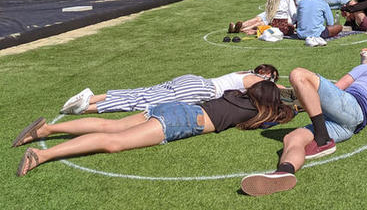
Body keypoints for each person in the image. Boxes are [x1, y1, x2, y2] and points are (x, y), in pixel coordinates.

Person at [13, 81, 294, 177]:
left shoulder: (235, 96)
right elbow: (286, 112)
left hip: (174, 107)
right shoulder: (254, 112)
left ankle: (46, 130)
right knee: (115, 141)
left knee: (111, 126)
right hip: (182, 120)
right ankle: (42, 154)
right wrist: (292, 103)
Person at [240, 51, 367, 196]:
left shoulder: (365, 69)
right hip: (350, 126)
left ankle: (323, 139)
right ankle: (284, 171)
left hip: (353, 108)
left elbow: (339, 86)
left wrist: (305, 98)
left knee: (298, 75)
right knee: (292, 138)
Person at [58, 64, 280, 115]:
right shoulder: (253, 78)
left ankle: (92, 97)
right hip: (200, 90)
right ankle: (84, 108)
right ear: (265, 73)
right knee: (143, 102)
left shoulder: (242, 72)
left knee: (142, 92)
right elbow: (275, 88)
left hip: (192, 81)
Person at [229, 0, 297, 36]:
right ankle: (241, 29)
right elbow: (294, 14)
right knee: (260, 22)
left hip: (272, 23)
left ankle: (239, 28)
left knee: (259, 21)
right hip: (282, 25)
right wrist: (293, 24)